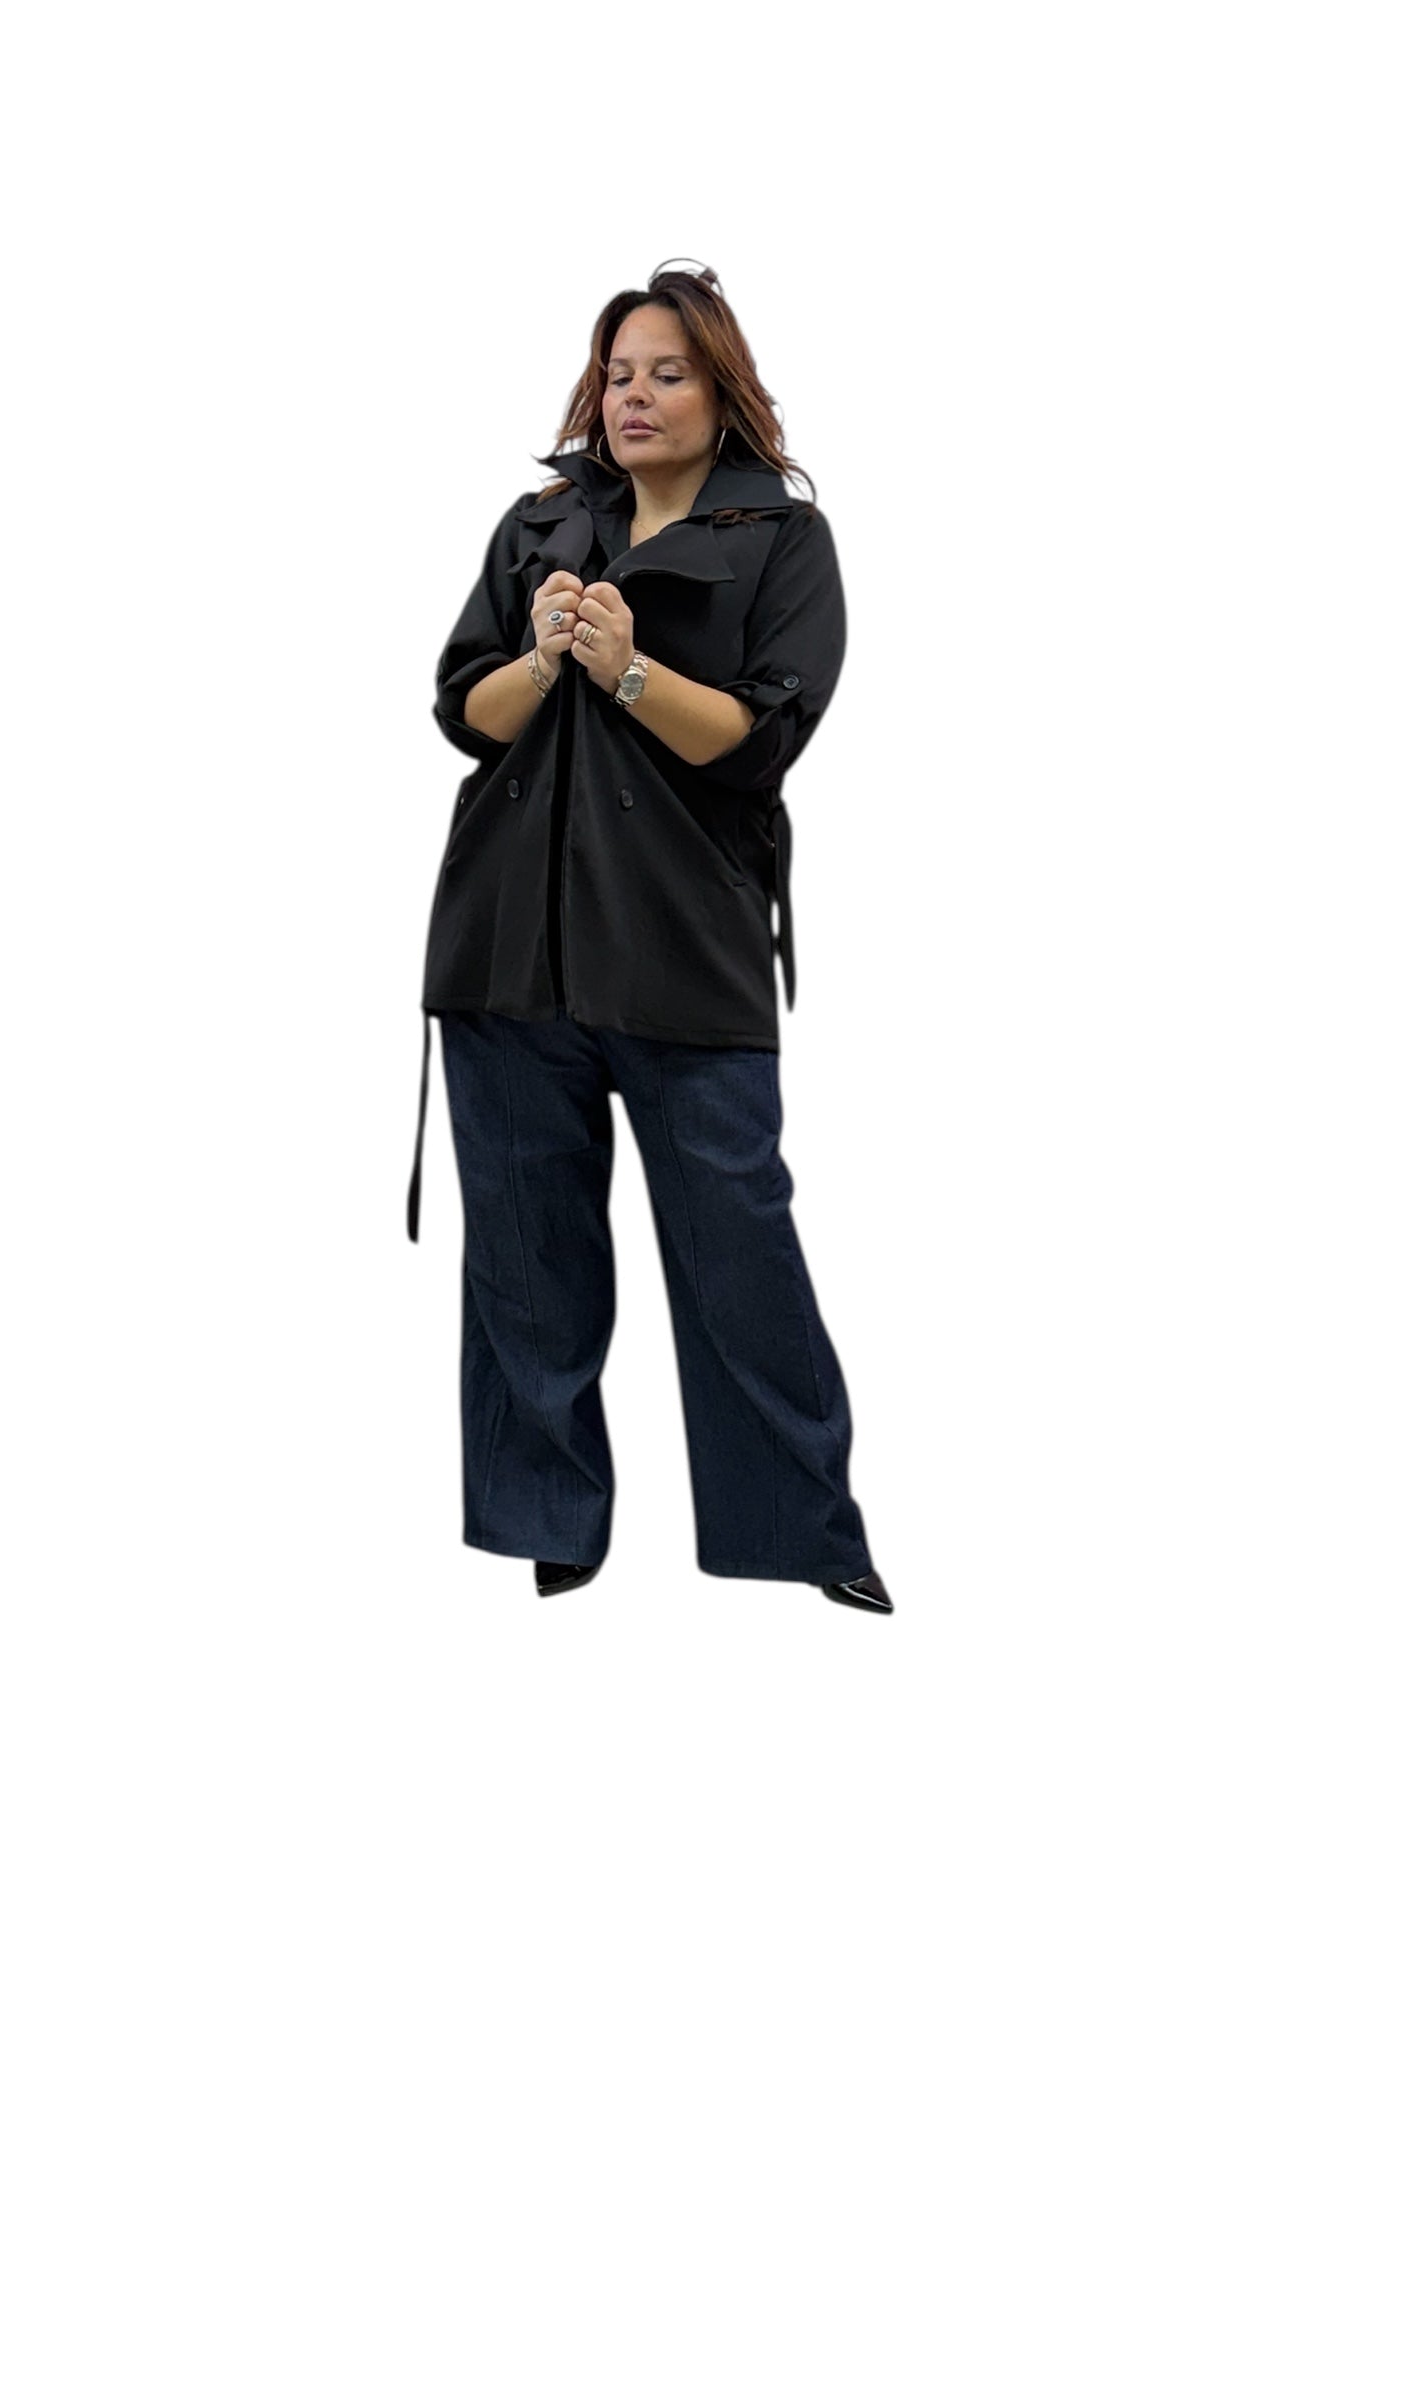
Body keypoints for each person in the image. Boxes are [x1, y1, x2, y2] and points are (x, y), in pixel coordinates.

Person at [407, 261, 892, 1617]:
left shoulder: (779, 537)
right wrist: (545, 659)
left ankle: (804, 1529)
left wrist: (624, 667)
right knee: (525, 1260)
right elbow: (466, 714)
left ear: (721, 390)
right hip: (508, 946)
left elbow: (758, 743)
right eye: (618, 373)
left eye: (667, 373)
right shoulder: (540, 525)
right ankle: (544, 1517)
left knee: (740, 1256)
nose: (635, 395)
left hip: (682, 947)